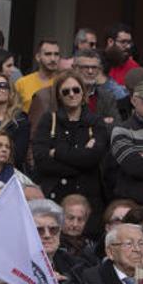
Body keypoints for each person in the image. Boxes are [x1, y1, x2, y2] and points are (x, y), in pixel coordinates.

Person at [32, 71, 109, 205]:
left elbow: (94, 158)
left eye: (76, 90)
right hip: (55, 193)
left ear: (83, 92)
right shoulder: (49, 120)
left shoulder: (95, 122)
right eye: (66, 91)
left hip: (88, 196)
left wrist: (56, 152)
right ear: (59, 96)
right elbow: (41, 160)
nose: (72, 94)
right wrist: (83, 161)